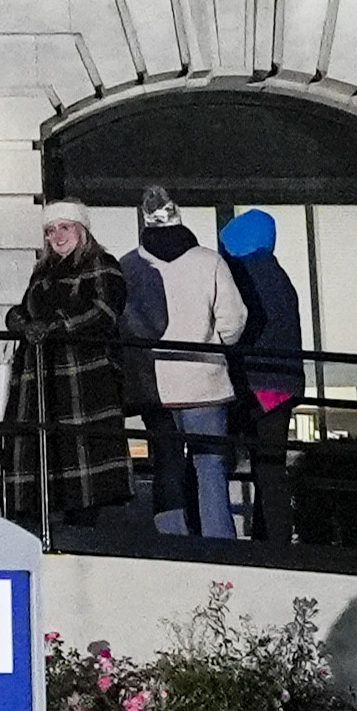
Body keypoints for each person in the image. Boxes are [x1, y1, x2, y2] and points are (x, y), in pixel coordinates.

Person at [129, 191, 245, 541]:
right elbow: (234, 320)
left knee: (166, 465)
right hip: (204, 380)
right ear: (180, 219)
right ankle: (219, 546)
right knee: (210, 467)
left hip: (156, 384)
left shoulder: (130, 265)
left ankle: (172, 544)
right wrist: (218, 344)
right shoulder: (209, 262)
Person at [3, 208, 130, 527]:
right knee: (44, 455)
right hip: (41, 378)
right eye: (50, 230)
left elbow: (104, 312)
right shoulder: (42, 271)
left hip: (82, 380)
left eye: (65, 227)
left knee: (81, 458)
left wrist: (56, 326)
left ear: (82, 230)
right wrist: (17, 319)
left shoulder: (102, 264)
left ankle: (82, 533)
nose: (57, 236)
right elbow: (27, 308)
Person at [217, 207, 309, 528]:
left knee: (214, 461)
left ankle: (213, 536)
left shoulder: (241, 276)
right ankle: (274, 545)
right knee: (270, 470)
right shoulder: (280, 278)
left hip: (251, 382)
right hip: (283, 385)